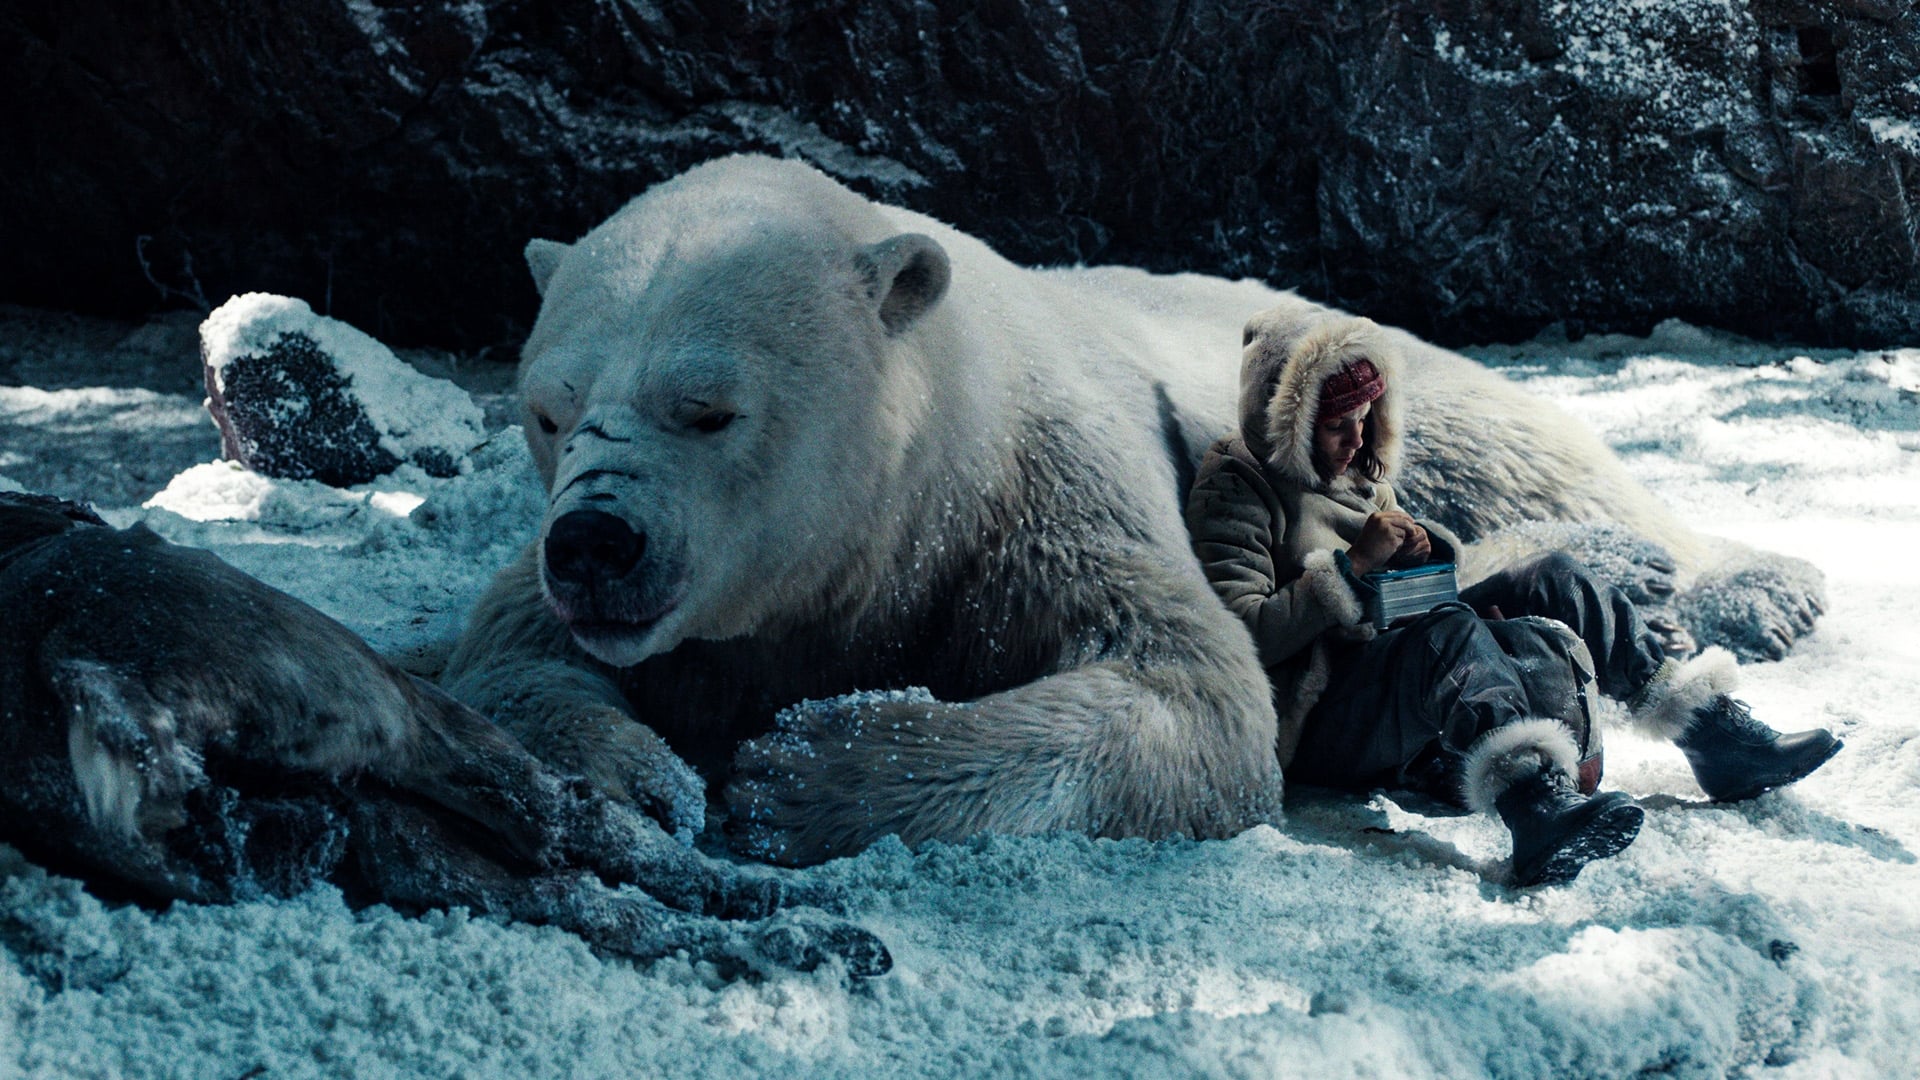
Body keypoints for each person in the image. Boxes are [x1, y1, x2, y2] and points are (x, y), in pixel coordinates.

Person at [1184, 316, 1843, 886]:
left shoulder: (1356, 472)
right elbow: (1242, 636)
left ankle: (1711, 735)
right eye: (1335, 426)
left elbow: (1403, 586)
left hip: (1393, 664)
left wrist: (1421, 551)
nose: (1356, 441)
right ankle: (1536, 809)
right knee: (1449, 632)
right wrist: (1353, 568)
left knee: (1551, 576)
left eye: (1363, 420)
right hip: (1323, 714)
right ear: (1286, 422)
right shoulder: (1237, 488)